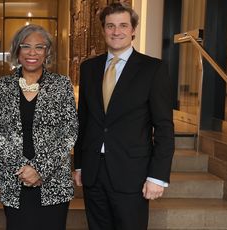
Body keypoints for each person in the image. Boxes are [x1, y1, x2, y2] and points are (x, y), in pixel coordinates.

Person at [74, 3, 174, 230]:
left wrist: (157, 176)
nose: (116, 31)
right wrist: (79, 164)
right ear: (103, 30)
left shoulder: (153, 69)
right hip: (93, 172)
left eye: (122, 25)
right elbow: (84, 120)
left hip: (132, 173)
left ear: (132, 30)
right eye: (110, 26)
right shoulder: (89, 68)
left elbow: (164, 128)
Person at [0, 24, 78, 230]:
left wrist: (39, 170)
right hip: (14, 179)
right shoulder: (1, 86)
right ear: (17, 51)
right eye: (26, 46)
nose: (32, 53)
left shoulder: (61, 85)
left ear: (47, 52)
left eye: (40, 47)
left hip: (53, 181)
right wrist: (23, 170)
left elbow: (69, 131)